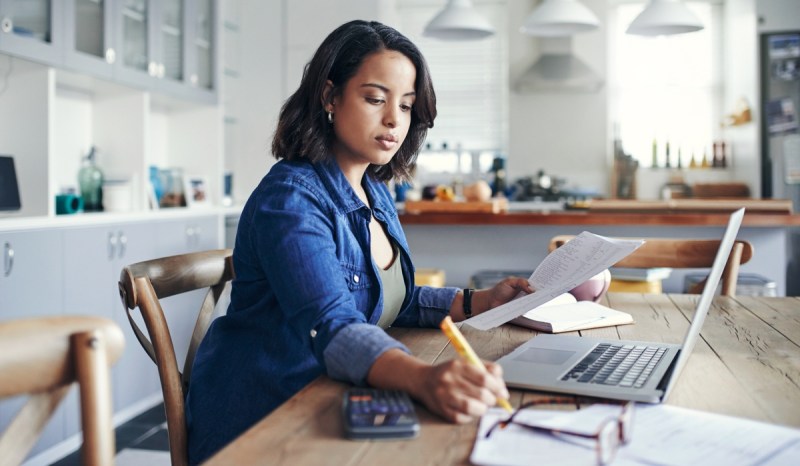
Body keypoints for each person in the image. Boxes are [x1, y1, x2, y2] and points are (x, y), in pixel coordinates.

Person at [185, 19, 532, 464]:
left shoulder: (376, 192)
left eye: (406, 106)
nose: (394, 120)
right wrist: (425, 379)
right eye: (375, 99)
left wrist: (479, 301)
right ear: (330, 96)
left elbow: (389, 300)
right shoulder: (291, 199)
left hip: (330, 398)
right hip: (266, 419)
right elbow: (334, 323)